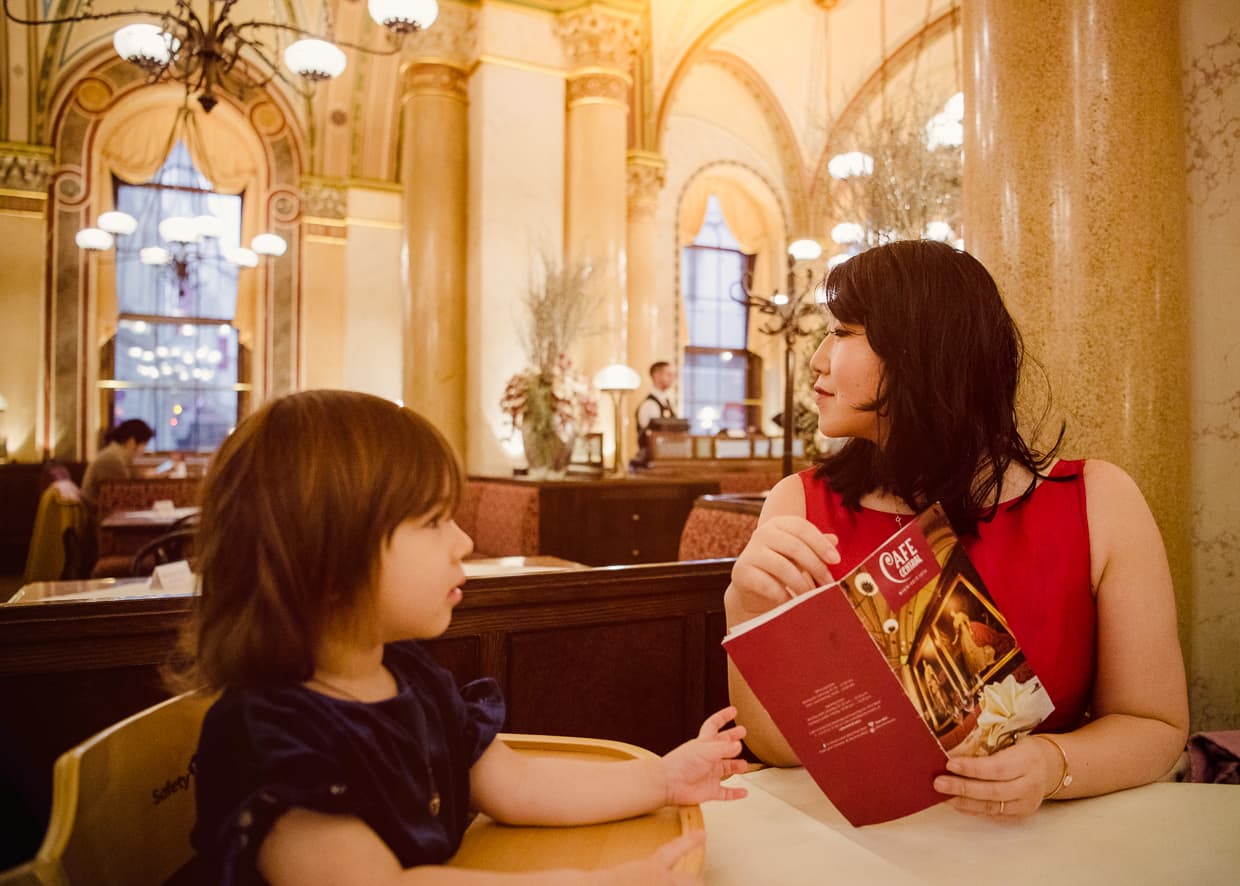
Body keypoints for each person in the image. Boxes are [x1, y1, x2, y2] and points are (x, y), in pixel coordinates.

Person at [183, 389, 748, 884]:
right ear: (327, 562)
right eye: (433, 522)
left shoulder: (410, 676)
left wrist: (664, 778)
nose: (462, 540)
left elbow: (520, 785)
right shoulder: (271, 734)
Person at [725, 240, 1188, 819]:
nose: (816, 359)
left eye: (841, 332)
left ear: (921, 351)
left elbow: (1156, 724)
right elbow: (781, 749)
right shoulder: (800, 504)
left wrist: (1051, 764)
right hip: (863, 849)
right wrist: (745, 608)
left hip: (1041, 842)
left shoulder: (1099, 501)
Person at [80, 418, 155, 515]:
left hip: (105, 514)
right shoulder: (111, 460)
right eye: (144, 445)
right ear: (132, 442)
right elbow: (121, 498)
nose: (143, 451)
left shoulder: (116, 456)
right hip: (100, 519)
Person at [632, 361, 679, 467]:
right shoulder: (649, 404)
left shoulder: (668, 402)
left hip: (667, 460)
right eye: (668, 374)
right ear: (656, 376)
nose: (672, 378)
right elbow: (652, 436)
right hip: (652, 463)